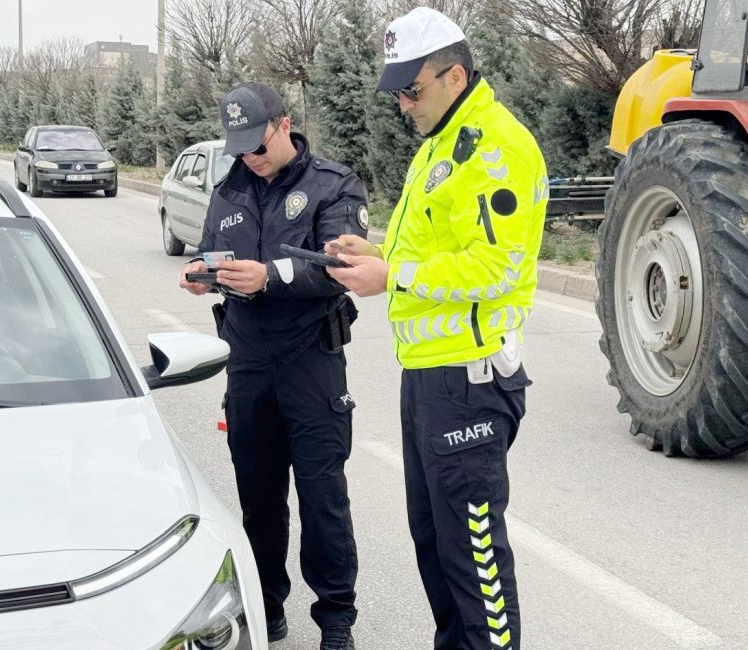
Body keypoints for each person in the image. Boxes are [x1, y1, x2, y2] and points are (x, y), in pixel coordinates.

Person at [326, 8, 547, 649]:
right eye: (395, 89)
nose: (401, 103)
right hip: (430, 376)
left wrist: (392, 276)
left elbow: (496, 266)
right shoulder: (442, 144)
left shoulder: (496, 145)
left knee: (476, 567)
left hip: (469, 379)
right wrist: (373, 258)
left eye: (411, 89)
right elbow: (434, 247)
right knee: (436, 550)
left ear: (454, 75)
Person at [178, 82, 368, 650]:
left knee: (322, 497)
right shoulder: (228, 191)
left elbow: (341, 267)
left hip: (311, 360)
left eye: (257, 145)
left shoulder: (333, 186)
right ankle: (267, 606)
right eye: (238, 148)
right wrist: (199, 275)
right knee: (258, 497)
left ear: (283, 126)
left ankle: (336, 620)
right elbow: (208, 252)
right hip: (248, 364)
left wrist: (271, 275)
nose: (249, 158)